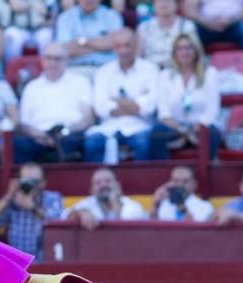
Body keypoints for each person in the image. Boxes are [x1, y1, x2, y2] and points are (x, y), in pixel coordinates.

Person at [84, 28, 160, 163]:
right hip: (109, 126)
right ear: (113, 48)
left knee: (144, 143)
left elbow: (149, 107)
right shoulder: (104, 71)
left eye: (127, 45)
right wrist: (134, 105)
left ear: (135, 45)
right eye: (119, 46)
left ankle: (142, 182)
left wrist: (116, 100)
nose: (124, 51)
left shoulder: (150, 69)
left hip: (141, 125)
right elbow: (101, 108)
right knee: (92, 143)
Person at [14, 42, 93, 163]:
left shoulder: (80, 82)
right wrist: (39, 135)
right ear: (42, 60)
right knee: (17, 144)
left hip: (70, 133)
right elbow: (24, 124)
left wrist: (65, 132)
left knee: (70, 143)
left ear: (67, 60)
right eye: (48, 58)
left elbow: (88, 118)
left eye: (58, 59)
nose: (53, 63)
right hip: (38, 136)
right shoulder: (31, 87)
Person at [152, 34, 221, 159]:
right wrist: (183, 130)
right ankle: (161, 174)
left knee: (213, 133)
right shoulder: (165, 76)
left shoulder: (210, 74)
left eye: (189, 48)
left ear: (196, 50)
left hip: (201, 127)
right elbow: (164, 113)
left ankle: (205, 175)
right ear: (174, 53)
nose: (184, 52)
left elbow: (212, 111)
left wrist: (193, 130)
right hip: (175, 127)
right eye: (180, 48)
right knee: (156, 133)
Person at [0, 162, 62, 257]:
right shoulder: (13, 200)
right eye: (25, 181)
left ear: (43, 183)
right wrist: (9, 196)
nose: (30, 185)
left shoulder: (51, 198)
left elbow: (58, 222)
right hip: (16, 261)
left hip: (44, 260)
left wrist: (32, 207)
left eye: (34, 181)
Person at [183, 0, 243, 71]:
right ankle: (195, 74)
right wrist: (205, 22)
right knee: (190, 31)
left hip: (235, 23)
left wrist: (231, 20)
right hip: (206, 26)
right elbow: (188, 9)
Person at [55, 0, 124, 71]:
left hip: (108, 69)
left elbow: (116, 43)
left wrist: (81, 41)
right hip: (76, 69)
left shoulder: (112, 16)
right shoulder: (65, 18)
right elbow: (65, 50)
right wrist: (102, 44)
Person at [65, 167, 146, 227]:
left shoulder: (133, 206)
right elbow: (64, 215)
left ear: (118, 185)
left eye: (108, 181)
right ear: (91, 190)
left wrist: (115, 203)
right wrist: (80, 213)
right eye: (98, 183)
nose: (103, 185)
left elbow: (127, 230)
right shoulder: (86, 204)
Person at [136, 0, 200, 69]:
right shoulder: (144, 28)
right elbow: (137, 57)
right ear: (153, 5)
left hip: (177, 71)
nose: (164, 4)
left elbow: (196, 54)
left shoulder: (187, 26)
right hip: (150, 72)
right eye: (159, 1)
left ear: (176, 4)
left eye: (168, 1)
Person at [148, 165, 215, 222]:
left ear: (194, 185)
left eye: (185, 181)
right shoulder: (162, 204)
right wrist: (155, 204)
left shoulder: (204, 206)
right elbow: (151, 230)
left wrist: (181, 206)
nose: (180, 185)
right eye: (176, 181)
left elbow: (196, 231)